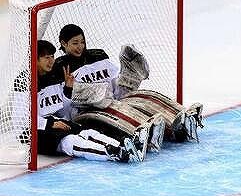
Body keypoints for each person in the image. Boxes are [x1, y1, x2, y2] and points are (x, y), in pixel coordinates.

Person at [51, 23, 203, 145]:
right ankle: (151, 133)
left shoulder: (97, 56)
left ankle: (182, 119)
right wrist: (69, 90)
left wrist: (123, 85)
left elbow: (112, 82)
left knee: (143, 97)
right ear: (64, 44)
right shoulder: (60, 67)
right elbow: (62, 105)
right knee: (112, 106)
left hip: (111, 99)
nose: (80, 46)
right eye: (75, 43)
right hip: (84, 111)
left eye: (82, 42)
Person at [20, 40, 149, 162]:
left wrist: (68, 90)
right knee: (70, 141)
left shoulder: (52, 76)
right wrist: (48, 124)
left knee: (86, 131)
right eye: (46, 57)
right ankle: (117, 154)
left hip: (53, 121)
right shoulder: (23, 81)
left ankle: (126, 145)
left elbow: (61, 106)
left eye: (52, 56)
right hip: (33, 131)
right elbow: (20, 118)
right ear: (35, 59)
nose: (51, 61)